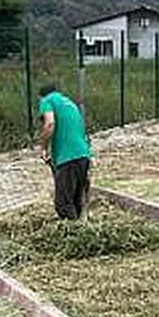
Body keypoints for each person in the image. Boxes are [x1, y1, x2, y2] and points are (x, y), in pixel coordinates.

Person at [36, 83, 93, 220]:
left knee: (63, 203)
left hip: (68, 158)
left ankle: (74, 235)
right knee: (76, 201)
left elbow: (50, 123)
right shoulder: (70, 103)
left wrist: (43, 147)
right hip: (84, 155)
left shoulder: (47, 101)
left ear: (41, 96)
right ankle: (81, 230)